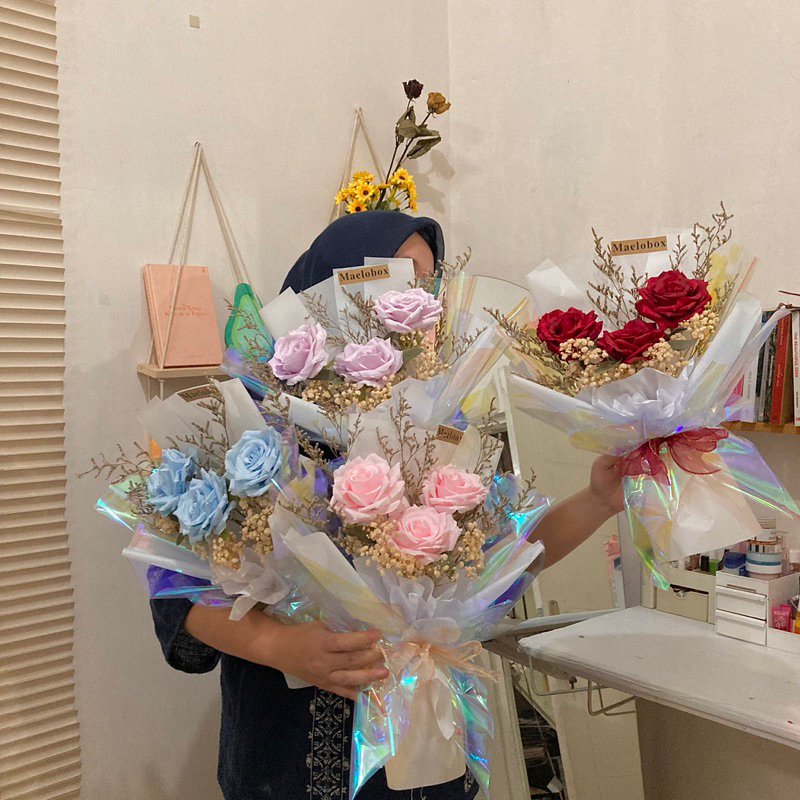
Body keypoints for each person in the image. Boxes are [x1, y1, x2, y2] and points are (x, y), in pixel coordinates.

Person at [150, 210, 624, 800]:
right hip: (291, 756)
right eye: (392, 277)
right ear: (327, 287)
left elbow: (503, 561)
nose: (412, 298)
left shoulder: (445, 423)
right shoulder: (254, 420)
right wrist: (280, 646)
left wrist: (598, 500)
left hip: (426, 751)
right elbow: (174, 586)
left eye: (426, 283)